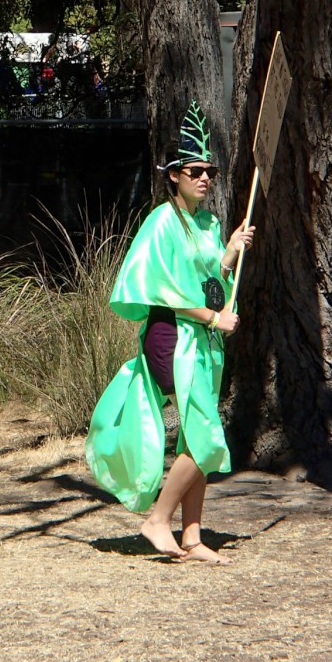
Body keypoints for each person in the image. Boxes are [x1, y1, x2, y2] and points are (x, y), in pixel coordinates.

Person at [85, 101, 254, 565]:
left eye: (210, 172)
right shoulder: (162, 220)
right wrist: (212, 318)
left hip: (203, 338)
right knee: (207, 435)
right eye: (195, 171)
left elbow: (204, 281)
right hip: (173, 337)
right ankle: (158, 519)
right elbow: (164, 289)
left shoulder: (209, 223)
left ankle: (193, 537)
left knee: (195, 435)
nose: (205, 179)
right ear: (174, 175)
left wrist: (229, 254)